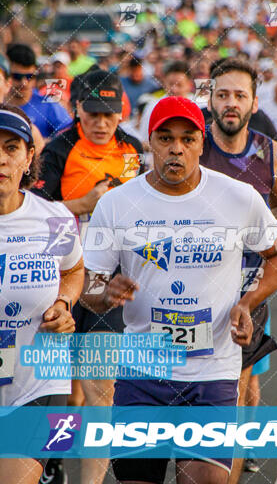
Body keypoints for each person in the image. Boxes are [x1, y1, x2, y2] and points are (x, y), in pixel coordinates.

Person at [81, 96, 277, 484]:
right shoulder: (116, 204)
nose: (175, 148)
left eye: (187, 138)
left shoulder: (237, 197)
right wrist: (105, 292)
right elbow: (88, 282)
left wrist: (249, 301)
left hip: (212, 373)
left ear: (201, 143)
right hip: (141, 374)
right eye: (165, 138)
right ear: (150, 143)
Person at [32, 70, 143, 484]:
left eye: (109, 114)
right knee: (58, 389)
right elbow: (36, 216)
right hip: (56, 278)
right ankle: (52, 459)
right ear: (77, 109)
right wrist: (87, 202)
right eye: (93, 113)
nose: (101, 123)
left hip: (105, 280)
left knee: (101, 391)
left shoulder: (132, 150)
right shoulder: (59, 148)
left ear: (120, 113)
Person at [199, 58, 277, 482]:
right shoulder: (191, 145)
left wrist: (272, 238)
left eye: (240, 95)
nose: (231, 103)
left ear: (254, 102)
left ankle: (228, 464)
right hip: (194, 285)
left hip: (250, 288)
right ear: (211, 99)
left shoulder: (275, 152)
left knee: (237, 386)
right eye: (223, 95)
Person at [0, 105, 84, 484]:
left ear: (28, 156)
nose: (0, 159)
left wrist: (64, 303)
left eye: (10, 148)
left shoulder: (55, 219)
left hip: (40, 378)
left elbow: (73, 269)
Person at [6, 44, 72, 139]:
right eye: (17, 76)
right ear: (6, 76)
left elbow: (69, 134)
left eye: (29, 77)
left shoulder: (48, 104)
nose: (24, 83)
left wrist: (44, 144)